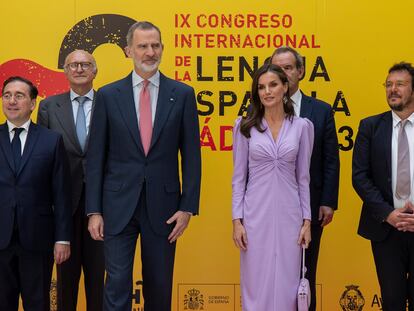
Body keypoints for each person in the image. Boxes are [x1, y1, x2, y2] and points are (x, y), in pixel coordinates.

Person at [85, 21, 201, 311]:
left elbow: (191, 156)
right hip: (116, 206)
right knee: (117, 286)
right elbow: (96, 157)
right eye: (143, 46)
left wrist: (187, 207)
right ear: (128, 51)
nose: (150, 52)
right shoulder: (109, 96)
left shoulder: (183, 94)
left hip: (164, 209)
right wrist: (94, 210)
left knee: (159, 287)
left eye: (155, 45)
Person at [232, 63, 313, 310]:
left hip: (291, 216)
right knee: (256, 283)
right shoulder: (244, 127)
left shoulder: (302, 127)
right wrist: (237, 221)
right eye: (261, 87)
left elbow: (303, 178)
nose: (267, 91)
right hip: (255, 216)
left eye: (273, 85)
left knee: (288, 284)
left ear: (286, 87)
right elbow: (238, 178)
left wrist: (306, 221)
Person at [271, 46, 340, 311]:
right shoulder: (260, 109)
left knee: (304, 272)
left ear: (300, 71)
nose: (284, 74)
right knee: (272, 271)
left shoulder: (320, 111)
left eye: (288, 68)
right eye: (278, 69)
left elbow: (330, 160)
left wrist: (328, 201)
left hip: (308, 205)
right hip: (270, 206)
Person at [37, 50, 104, 311]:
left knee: (99, 276)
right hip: (63, 202)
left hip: (101, 203)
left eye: (85, 64)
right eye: (73, 65)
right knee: (65, 278)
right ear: (65, 71)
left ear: (95, 70)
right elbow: (41, 154)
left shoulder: (109, 102)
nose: (79, 69)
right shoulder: (49, 106)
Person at [0, 76, 72, 311]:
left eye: (19, 96)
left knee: (38, 303)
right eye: (7, 95)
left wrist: (62, 238)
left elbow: (61, 193)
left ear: (32, 103)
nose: (12, 101)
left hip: (38, 239)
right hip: (0, 239)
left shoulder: (51, 140)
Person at [352, 62, 414, 311]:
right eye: (388, 84)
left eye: (400, 84)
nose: (392, 89)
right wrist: (388, 213)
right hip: (385, 228)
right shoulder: (370, 127)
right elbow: (360, 177)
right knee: (391, 299)